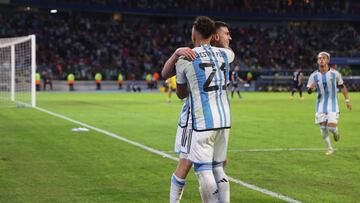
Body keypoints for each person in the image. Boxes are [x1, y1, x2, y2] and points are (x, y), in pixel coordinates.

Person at [163, 20, 233, 203]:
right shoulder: (225, 55)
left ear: (194, 33)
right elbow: (229, 51)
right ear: (214, 36)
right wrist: (223, 42)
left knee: (200, 169)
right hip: (224, 119)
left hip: (199, 121)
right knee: (218, 168)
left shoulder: (187, 58)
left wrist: (178, 54)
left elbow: (179, 92)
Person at [307, 51, 352, 155]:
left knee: (331, 127)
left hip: (332, 104)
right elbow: (309, 90)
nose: (321, 60)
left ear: (328, 60)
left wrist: (347, 100)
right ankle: (329, 148)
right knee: (323, 128)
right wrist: (311, 89)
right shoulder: (313, 76)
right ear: (317, 61)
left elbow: (342, 86)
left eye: (324, 58)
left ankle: (335, 131)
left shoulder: (335, 73)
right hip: (320, 105)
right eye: (319, 58)